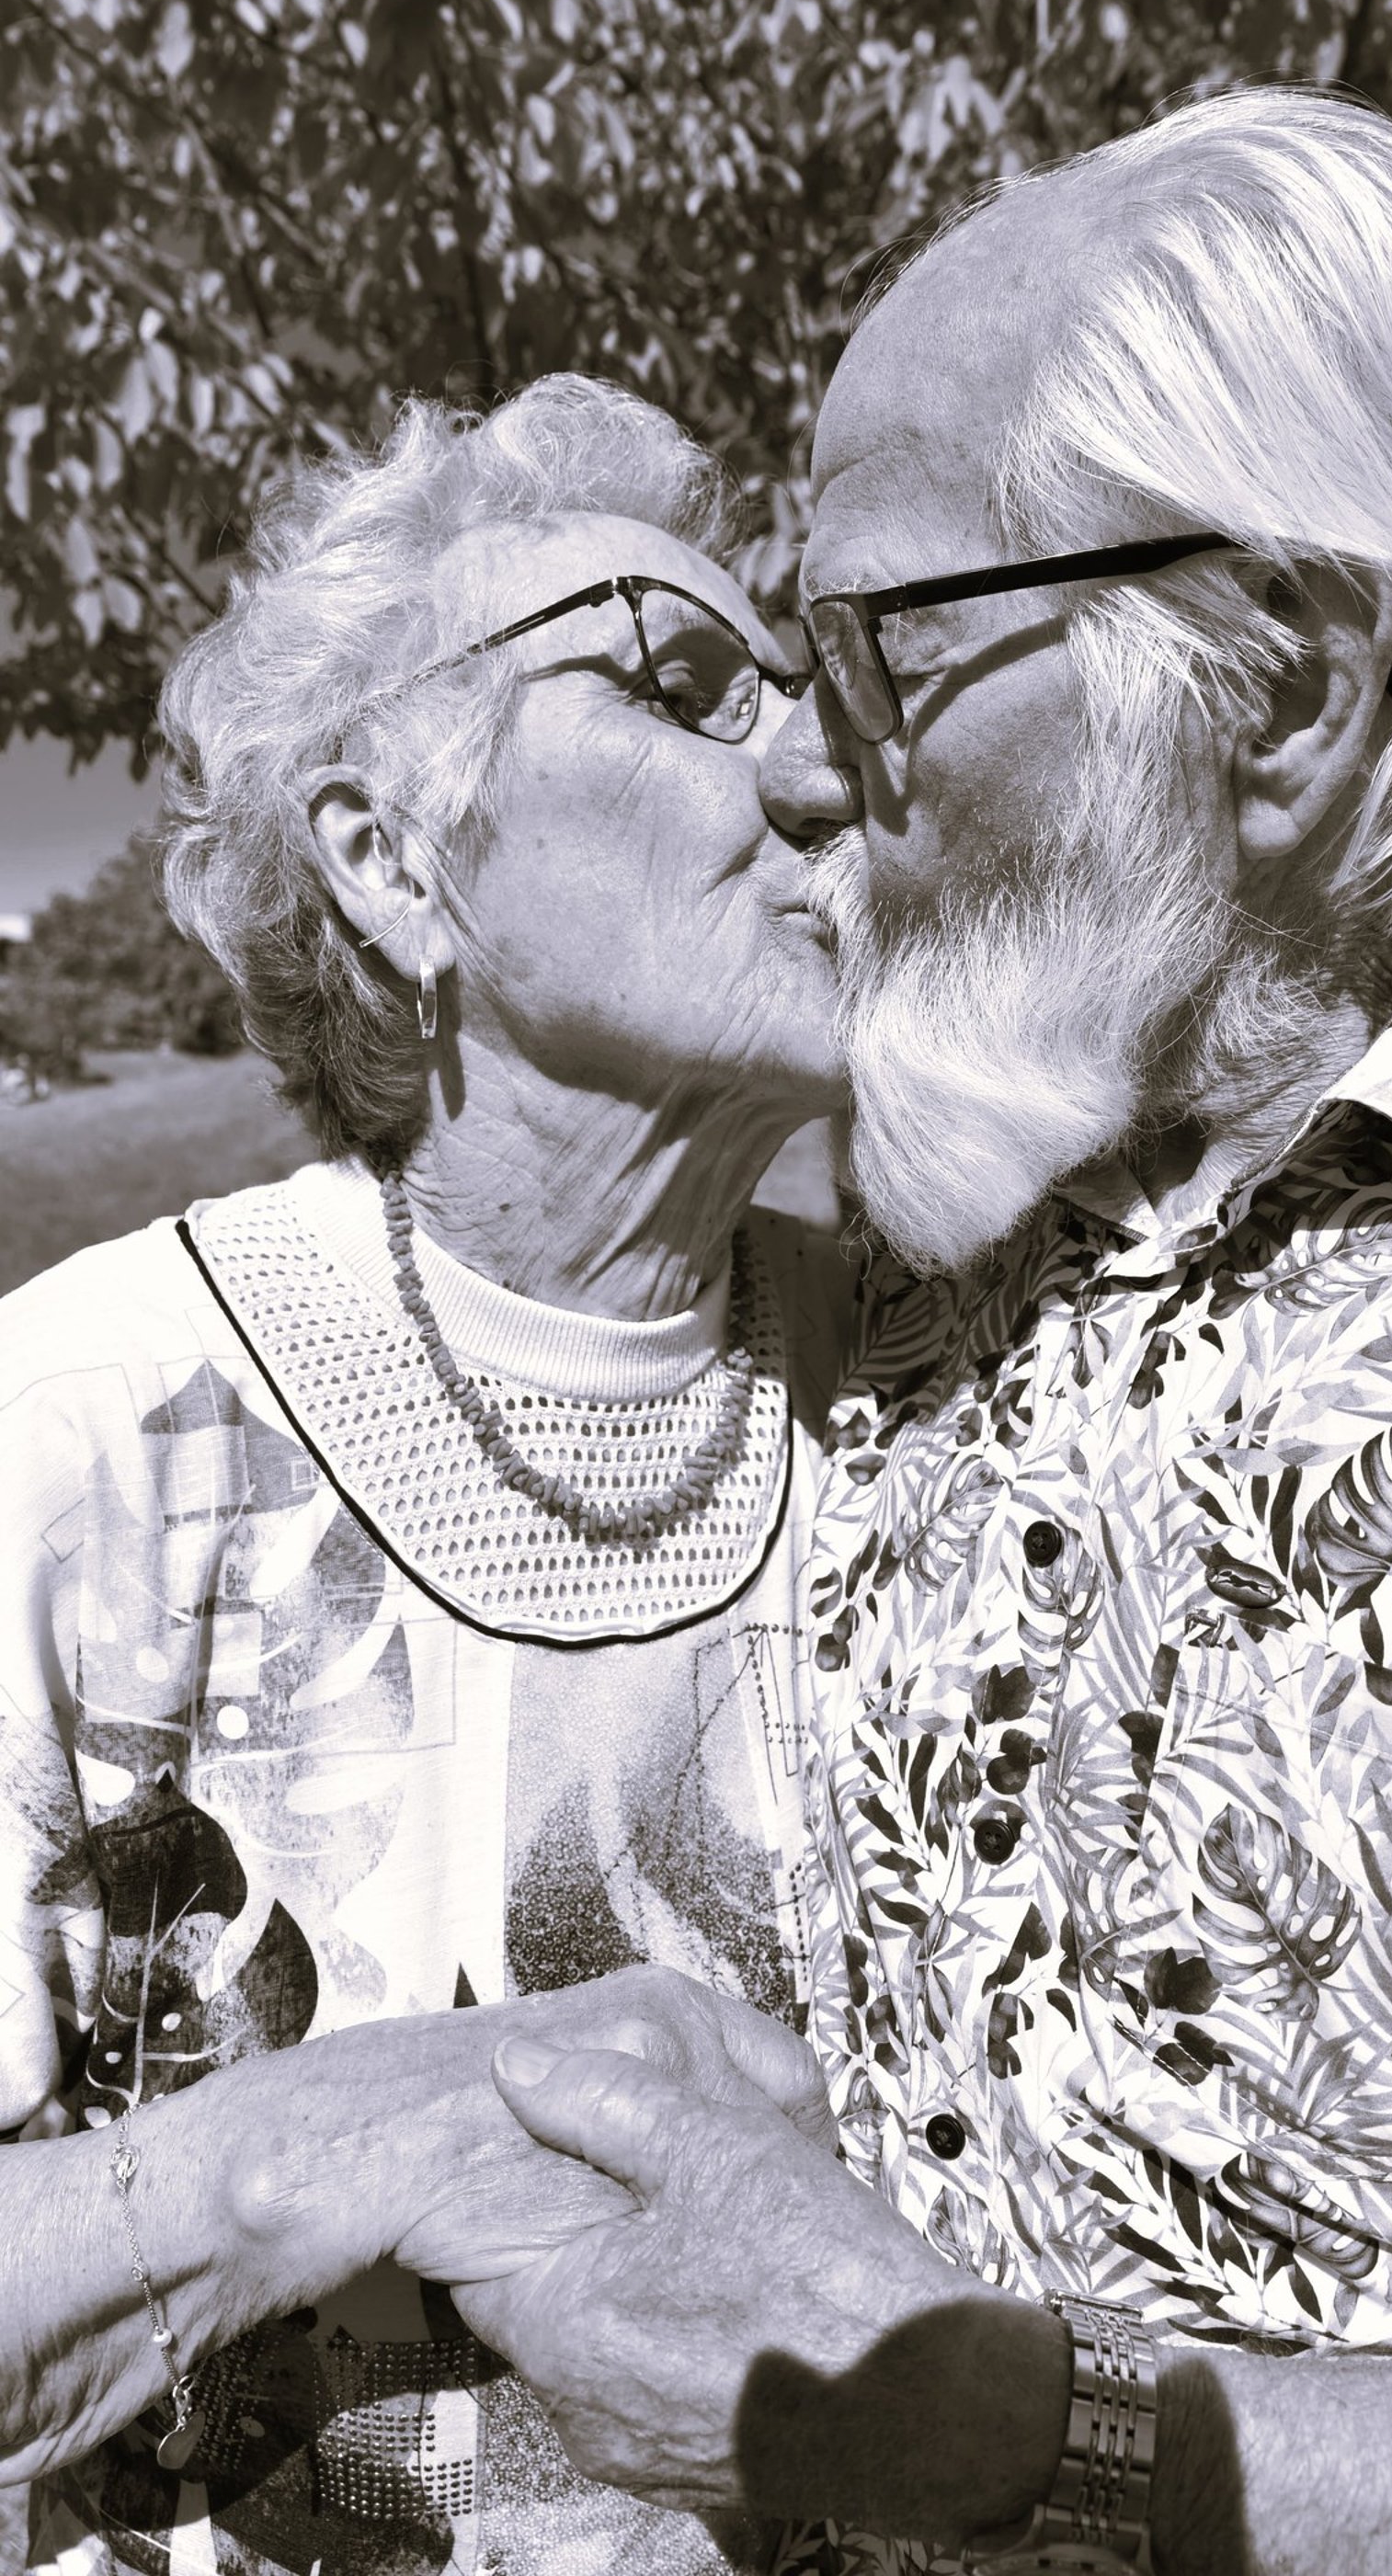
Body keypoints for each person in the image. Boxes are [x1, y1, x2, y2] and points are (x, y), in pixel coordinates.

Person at [433, 94, 1392, 2570]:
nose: (807, 767)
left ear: (1284, 688)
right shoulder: (927, 1273)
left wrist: (1026, 2443)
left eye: (886, 648)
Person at [0, 371, 856, 2576]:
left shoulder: (953, 1392)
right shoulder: (87, 1428)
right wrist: (354, 2138)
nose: (823, 773)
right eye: (679, 682)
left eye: (808, 691)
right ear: (394, 863)